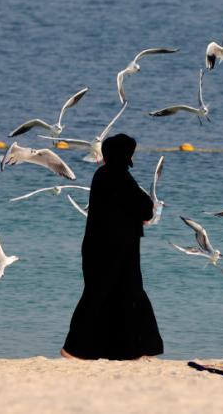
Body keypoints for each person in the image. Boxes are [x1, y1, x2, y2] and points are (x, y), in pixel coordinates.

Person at [61, 134, 163, 360]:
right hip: (115, 250)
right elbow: (145, 208)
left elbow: (125, 207)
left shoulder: (103, 174)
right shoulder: (120, 176)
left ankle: (126, 351)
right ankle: (75, 350)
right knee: (114, 296)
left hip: (101, 248)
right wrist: (144, 211)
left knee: (113, 296)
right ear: (125, 155)